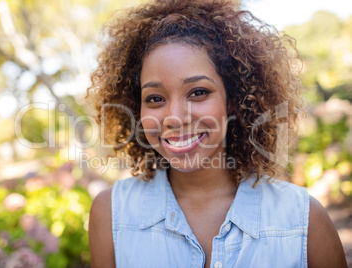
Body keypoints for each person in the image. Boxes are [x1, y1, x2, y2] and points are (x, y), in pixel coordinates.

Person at [87, 0, 347, 267]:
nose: (175, 117)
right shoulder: (110, 215)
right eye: (154, 98)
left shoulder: (304, 221)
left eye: (198, 92)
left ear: (233, 99)